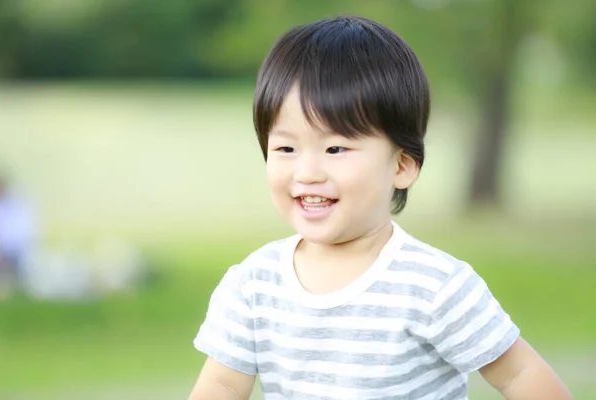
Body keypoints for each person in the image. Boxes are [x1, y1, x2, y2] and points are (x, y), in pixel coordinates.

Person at [188, 15, 572, 400]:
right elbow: (221, 385)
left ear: (402, 165)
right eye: (286, 148)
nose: (307, 172)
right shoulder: (253, 285)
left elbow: (520, 374)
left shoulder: (434, 286)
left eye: (335, 148)